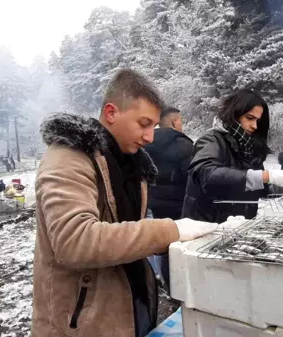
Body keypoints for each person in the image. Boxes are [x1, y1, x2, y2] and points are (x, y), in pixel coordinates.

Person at [32, 69, 218, 337]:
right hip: (81, 323)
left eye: (153, 126)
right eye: (143, 124)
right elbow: (75, 241)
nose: (150, 137)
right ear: (111, 113)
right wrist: (170, 231)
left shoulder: (133, 163)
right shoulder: (69, 156)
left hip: (129, 309)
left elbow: (129, 232)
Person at [182, 89, 283, 223]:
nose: (254, 126)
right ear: (234, 114)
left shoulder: (248, 146)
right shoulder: (211, 140)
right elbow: (208, 174)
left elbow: (252, 186)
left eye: (258, 121)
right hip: (205, 226)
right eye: (249, 118)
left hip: (236, 224)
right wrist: (268, 176)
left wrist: (277, 185)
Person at [144, 107, 193, 290]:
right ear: (174, 122)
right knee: (176, 244)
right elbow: (192, 177)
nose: (181, 124)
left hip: (152, 202)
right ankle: (176, 285)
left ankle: (156, 276)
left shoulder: (145, 142)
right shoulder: (183, 144)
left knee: (156, 240)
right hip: (178, 204)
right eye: (180, 120)